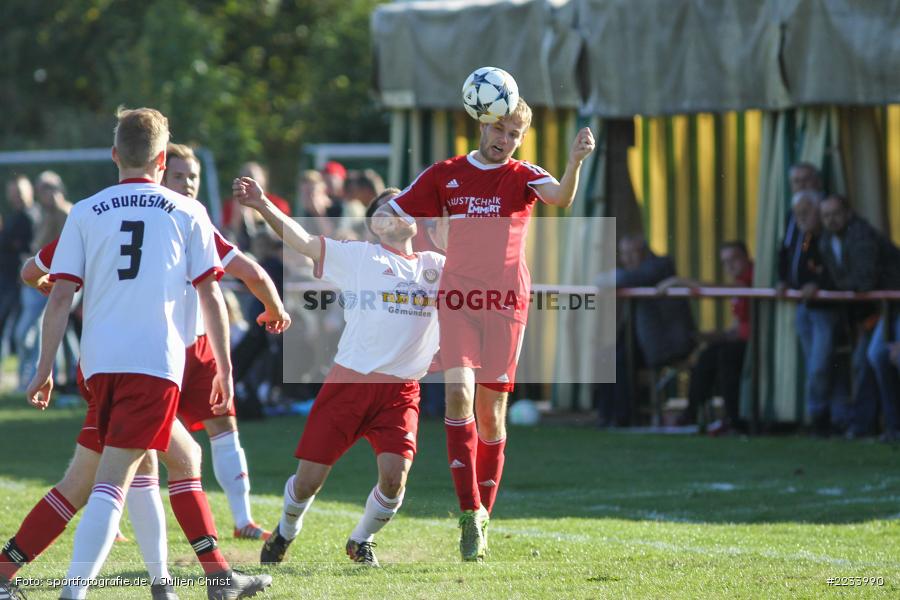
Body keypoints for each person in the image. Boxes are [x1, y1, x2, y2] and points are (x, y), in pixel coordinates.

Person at [22, 107, 269, 600]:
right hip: (153, 364)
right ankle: (73, 593)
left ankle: (197, 581)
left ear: (115, 155)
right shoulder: (187, 212)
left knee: (178, 458)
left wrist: (43, 369)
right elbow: (212, 296)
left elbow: (56, 296)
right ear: (162, 161)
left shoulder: (86, 210)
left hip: (99, 366)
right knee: (110, 480)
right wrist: (223, 365)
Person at [380, 97, 595, 561]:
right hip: (458, 299)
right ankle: (468, 512)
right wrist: (391, 233)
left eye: (514, 134)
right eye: (500, 130)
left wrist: (574, 161)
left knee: (491, 413)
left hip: (505, 304)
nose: (505, 140)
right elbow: (393, 212)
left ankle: (483, 516)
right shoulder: (445, 173)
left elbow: (562, 197)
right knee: (458, 394)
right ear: (482, 123)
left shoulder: (524, 176)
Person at [233, 178, 443, 568]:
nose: (402, 209)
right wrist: (262, 204)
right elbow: (302, 240)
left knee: (395, 479)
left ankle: (361, 540)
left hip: (400, 392)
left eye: (406, 204)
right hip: (350, 384)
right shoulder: (362, 257)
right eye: (390, 206)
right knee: (309, 481)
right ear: (376, 224)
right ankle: (286, 530)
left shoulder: (437, 266)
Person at [163, 143, 291, 539]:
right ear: (158, 173)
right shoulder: (159, 215)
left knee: (224, 425)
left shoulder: (194, 219)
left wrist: (274, 305)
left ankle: (243, 520)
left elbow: (248, 269)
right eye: (178, 175)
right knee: (129, 443)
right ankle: (112, 520)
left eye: (192, 177)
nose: (186, 185)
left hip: (196, 346)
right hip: (151, 349)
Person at [818, 194, 900, 441]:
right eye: (826, 215)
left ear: (848, 214)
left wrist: (835, 290)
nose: (831, 220)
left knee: (876, 357)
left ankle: (884, 425)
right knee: (872, 358)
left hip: (891, 304)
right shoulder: (825, 242)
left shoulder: (861, 236)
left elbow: (864, 280)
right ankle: (883, 425)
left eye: (835, 214)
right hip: (880, 310)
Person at [595, 234, 695, 427]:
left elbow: (630, 278)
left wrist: (606, 278)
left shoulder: (660, 265)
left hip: (667, 343)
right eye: (624, 254)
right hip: (642, 340)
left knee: (620, 361)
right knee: (605, 357)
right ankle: (606, 416)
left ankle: (624, 417)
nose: (628, 258)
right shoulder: (638, 270)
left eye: (633, 253)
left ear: (645, 251)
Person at [660, 241, 755, 435]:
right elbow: (737, 328)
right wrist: (708, 336)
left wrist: (679, 281)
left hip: (754, 344)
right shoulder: (739, 284)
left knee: (726, 357)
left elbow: (715, 289)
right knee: (707, 355)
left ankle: (735, 420)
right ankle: (691, 413)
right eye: (725, 262)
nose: (730, 266)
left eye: (734, 259)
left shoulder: (752, 278)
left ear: (746, 258)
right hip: (741, 341)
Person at [776, 190, 849, 435]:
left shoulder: (828, 238)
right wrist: (785, 280)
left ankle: (818, 415)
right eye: (797, 214)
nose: (801, 218)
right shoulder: (805, 237)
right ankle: (833, 417)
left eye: (805, 213)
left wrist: (818, 284)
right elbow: (796, 260)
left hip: (826, 309)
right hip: (805, 307)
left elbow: (835, 270)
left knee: (821, 365)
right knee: (820, 364)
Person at [0, 176, 37, 378]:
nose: (17, 197)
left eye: (20, 193)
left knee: (23, 332)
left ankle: (29, 376)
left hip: (22, 282)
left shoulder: (31, 217)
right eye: (13, 193)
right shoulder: (14, 216)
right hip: (7, 280)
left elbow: (28, 250)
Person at [221, 161, 291, 250]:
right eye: (243, 178)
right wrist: (237, 220)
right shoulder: (231, 205)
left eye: (252, 177)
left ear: (263, 179)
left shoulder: (278, 204)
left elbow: (284, 236)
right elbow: (227, 237)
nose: (247, 181)